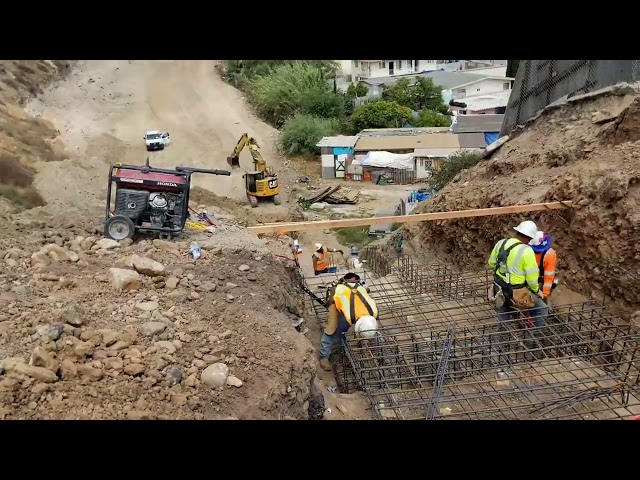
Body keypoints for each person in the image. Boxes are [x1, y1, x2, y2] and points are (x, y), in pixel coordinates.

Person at [487, 220, 548, 327]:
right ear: (529, 237)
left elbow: (491, 263)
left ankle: (500, 341)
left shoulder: (501, 243)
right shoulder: (527, 251)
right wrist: (537, 291)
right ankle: (533, 340)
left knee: (503, 315)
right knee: (542, 309)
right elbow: (531, 279)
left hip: (499, 288)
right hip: (517, 292)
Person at [319, 272, 378, 371]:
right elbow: (342, 331)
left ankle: (374, 349)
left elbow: (372, 328)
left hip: (354, 298)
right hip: (336, 300)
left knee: (369, 333)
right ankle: (324, 356)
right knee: (332, 329)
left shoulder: (374, 313)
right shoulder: (348, 317)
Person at [530, 230, 558, 305]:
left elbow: (548, 276)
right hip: (531, 281)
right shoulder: (529, 249)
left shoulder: (550, 255)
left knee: (542, 305)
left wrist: (544, 294)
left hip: (541, 282)